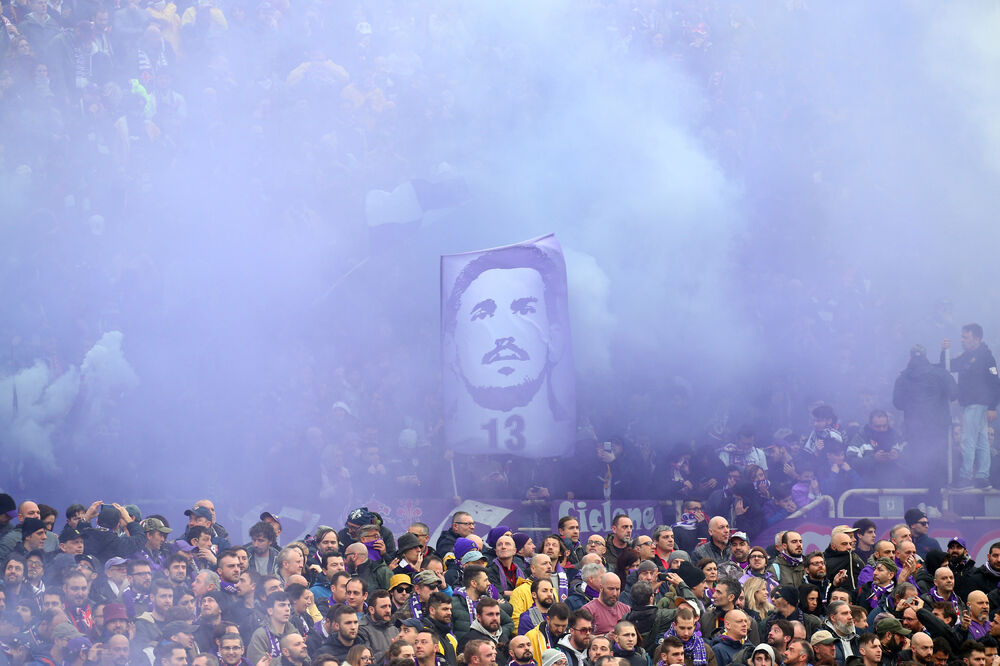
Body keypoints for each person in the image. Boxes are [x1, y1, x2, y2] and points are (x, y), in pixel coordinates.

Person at [893, 344, 957, 506]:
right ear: (926, 356)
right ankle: (935, 504)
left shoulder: (902, 378)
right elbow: (954, 394)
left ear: (910, 357)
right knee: (937, 464)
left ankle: (918, 503)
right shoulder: (941, 374)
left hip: (914, 429)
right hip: (938, 429)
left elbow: (897, 403)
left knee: (917, 463)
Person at [943, 324, 1000, 490]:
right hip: (973, 404)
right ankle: (983, 477)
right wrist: (944, 352)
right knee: (982, 441)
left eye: (965, 337)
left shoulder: (987, 357)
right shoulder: (967, 356)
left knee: (968, 439)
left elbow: (995, 382)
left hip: (977, 404)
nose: (962, 340)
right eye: (961, 337)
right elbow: (949, 365)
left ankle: (965, 477)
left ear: (976, 338)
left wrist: (992, 406)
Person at [360, 590, 400, 663]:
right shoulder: (362, 630)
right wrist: (391, 651)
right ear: (372, 610)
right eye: (383, 607)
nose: (388, 610)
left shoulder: (394, 629)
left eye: (389, 606)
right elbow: (367, 660)